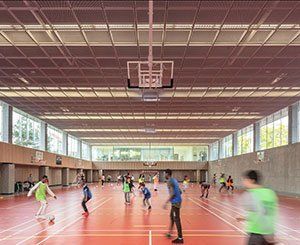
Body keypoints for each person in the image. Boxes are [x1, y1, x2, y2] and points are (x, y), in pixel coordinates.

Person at [236, 170, 278, 245]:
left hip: (256, 234)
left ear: (251, 180)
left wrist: (266, 233)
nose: (244, 183)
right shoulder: (271, 193)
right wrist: (269, 233)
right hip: (270, 233)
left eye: (245, 180)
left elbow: (261, 214)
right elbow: (267, 213)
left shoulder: (250, 194)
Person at [163, 169, 183, 244]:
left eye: (165, 174)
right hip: (176, 201)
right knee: (172, 217)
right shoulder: (174, 180)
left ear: (167, 174)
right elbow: (180, 191)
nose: (164, 175)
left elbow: (172, 194)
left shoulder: (169, 182)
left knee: (176, 219)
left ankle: (180, 238)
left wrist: (166, 203)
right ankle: (170, 233)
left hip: (175, 203)